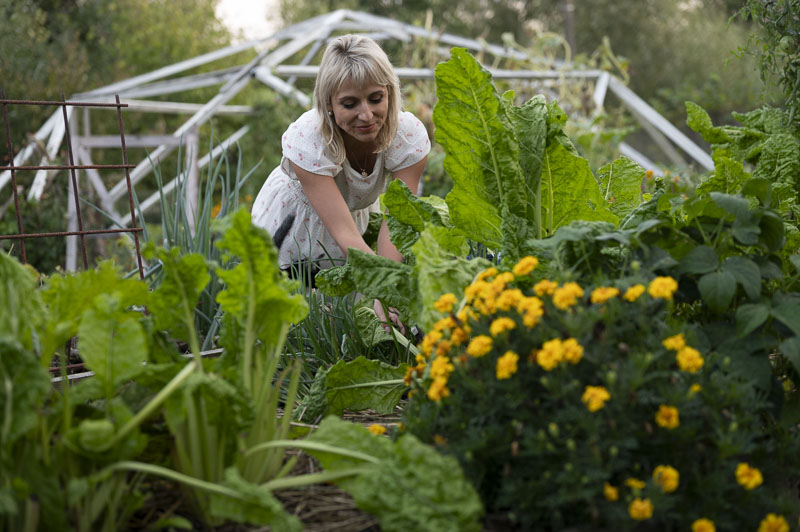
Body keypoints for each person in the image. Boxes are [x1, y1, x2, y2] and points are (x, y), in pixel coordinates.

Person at [252, 34, 430, 329]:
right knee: (290, 323)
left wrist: (384, 291)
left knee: (343, 324)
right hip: (296, 223)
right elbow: (343, 231)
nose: (366, 115)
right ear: (329, 104)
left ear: (389, 93)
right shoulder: (310, 140)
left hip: (349, 221)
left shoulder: (406, 136)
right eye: (349, 103)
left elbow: (397, 221)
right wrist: (381, 290)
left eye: (376, 99)